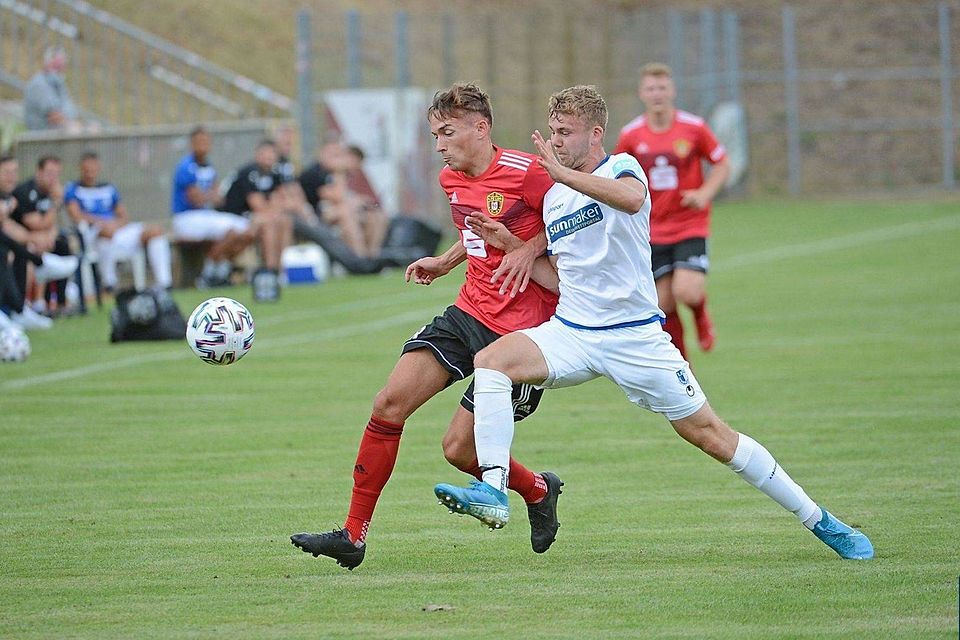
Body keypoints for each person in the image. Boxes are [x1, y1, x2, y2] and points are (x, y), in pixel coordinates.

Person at [435, 85, 874, 561]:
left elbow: (627, 199)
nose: (556, 141)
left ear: (595, 133)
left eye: (566, 133)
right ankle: (496, 492)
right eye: (553, 132)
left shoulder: (622, 167)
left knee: (711, 435)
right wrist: (507, 242)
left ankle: (820, 519)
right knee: (492, 361)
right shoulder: (558, 196)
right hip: (574, 332)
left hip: (636, 338)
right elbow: (563, 282)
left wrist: (562, 175)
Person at [290, 82, 564, 570]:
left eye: (447, 132)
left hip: (524, 335)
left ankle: (539, 490)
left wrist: (526, 248)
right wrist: (445, 260)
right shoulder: (451, 179)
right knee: (388, 404)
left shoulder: (530, 173)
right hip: (469, 312)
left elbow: (569, 224)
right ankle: (353, 536)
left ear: (481, 128)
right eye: (434, 134)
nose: (439, 144)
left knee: (458, 449)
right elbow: (475, 234)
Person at [613, 62, 730, 359]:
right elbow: (616, 174)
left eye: (662, 87)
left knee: (687, 291)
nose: (657, 94)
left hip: (689, 223)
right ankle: (682, 360)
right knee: (663, 304)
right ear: (642, 93)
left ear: (672, 90)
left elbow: (722, 163)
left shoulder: (693, 127)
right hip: (651, 229)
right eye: (651, 88)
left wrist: (705, 193)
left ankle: (701, 315)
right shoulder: (631, 135)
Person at [64, 151, 173, 292]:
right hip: (92, 234)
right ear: (80, 168)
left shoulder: (108, 188)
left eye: (93, 168)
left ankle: (164, 284)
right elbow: (76, 216)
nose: (90, 172)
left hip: (117, 230)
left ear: (98, 168)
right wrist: (102, 223)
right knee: (106, 233)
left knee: (155, 232)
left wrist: (115, 225)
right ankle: (109, 282)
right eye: (87, 169)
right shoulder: (73, 190)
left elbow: (123, 216)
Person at [171, 126, 256, 288]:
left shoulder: (209, 166)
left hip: (206, 215)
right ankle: (209, 273)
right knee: (232, 231)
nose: (203, 145)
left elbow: (217, 198)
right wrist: (211, 195)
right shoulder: (185, 167)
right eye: (199, 142)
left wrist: (210, 195)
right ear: (192, 144)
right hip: (187, 217)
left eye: (206, 141)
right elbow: (196, 199)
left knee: (248, 232)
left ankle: (219, 271)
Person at [0, 155, 77, 329]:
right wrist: (57, 202)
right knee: (6, 251)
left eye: (14, 172)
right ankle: (19, 306)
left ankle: (26, 308)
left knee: (59, 244)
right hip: (22, 243)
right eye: (6, 172)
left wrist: (45, 236)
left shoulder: (9, 196)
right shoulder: (23, 192)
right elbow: (30, 224)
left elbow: (8, 226)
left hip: (26, 242)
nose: (11, 176)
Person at [219, 138, 293, 295]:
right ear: (257, 154)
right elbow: (256, 205)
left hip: (258, 216)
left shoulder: (274, 173)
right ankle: (270, 271)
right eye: (265, 153)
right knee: (268, 223)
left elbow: (282, 199)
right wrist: (273, 209)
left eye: (272, 154)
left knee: (285, 221)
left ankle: (280, 269)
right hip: (236, 216)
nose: (269, 157)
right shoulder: (248, 172)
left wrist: (275, 209)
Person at [299, 141, 387, 259]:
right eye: (335, 155)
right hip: (314, 216)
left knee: (376, 216)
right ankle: (358, 258)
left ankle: (372, 257)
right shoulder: (315, 172)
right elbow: (336, 197)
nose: (340, 160)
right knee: (347, 213)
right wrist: (339, 173)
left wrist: (359, 201)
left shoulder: (342, 173)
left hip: (337, 211)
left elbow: (346, 197)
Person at [23, 46, 80, 132]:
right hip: (42, 138)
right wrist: (74, 126)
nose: (59, 69)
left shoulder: (59, 84)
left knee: (94, 128)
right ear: (46, 63)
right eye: (56, 65)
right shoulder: (39, 85)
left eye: (61, 66)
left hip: (58, 135)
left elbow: (70, 110)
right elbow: (53, 116)